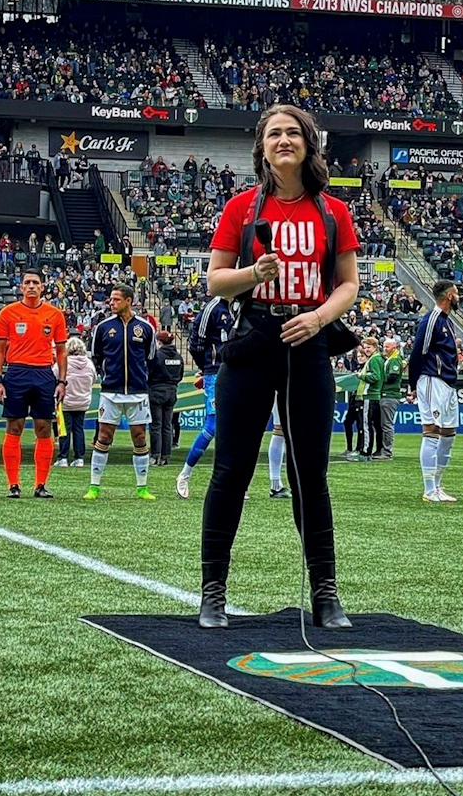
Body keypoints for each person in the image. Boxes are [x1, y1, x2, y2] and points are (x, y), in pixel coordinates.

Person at [196, 103, 361, 629]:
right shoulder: (241, 209)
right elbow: (215, 282)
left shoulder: (333, 211)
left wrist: (318, 318)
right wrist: (252, 273)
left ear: (309, 144)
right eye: (274, 134)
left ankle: (326, 593)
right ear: (261, 147)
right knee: (231, 470)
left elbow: (349, 285)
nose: (283, 140)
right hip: (253, 340)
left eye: (293, 133)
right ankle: (212, 592)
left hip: (307, 342)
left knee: (310, 473)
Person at [0, 270, 69, 499]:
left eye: (36, 282)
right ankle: (13, 484)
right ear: (21, 287)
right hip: (16, 373)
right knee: (14, 427)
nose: (32, 286)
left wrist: (62, 381)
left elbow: (62, 352)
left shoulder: (55, 315)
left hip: (44, 374)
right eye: (28, 283)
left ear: (42, 287)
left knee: (43, 428)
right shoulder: (8, 313)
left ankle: (41, 484)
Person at [86, 285, 157, 501]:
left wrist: (141, 379)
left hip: (137, 392)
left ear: (128, 301)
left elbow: (151, 358)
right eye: (111, 299)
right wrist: (107, 377)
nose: (111, 303)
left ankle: (142, 487)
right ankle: (94, 487)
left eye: (116, 299)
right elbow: (96, 356)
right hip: (111, 392)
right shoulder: (103, 327)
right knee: (104, 436)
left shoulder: (145, 328)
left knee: (140, 437)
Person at [406, 280, 463, 503]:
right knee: (432, 431)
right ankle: (429, 489)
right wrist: (414, 383)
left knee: (448, 435)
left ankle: (438, 486)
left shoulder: (448, 322)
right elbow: (418, 350)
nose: (459, 297)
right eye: (456, 293)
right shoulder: (432, 320)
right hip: (432, 380)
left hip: (448, 383)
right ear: (449, 296)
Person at [176, 293, 231, 499]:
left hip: (237, 372)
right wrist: (207, 368)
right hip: (216, 374)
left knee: (236, 428)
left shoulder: (239, 306)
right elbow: (195, 344)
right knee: (213, 425)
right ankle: (184, 474)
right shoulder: (212, 308)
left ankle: (231, 482)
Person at [362, 336, 406, 460]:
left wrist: (382, 378)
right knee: (382, 424)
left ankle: (387, 452)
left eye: (387, 346)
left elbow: (392, 376)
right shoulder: (389, 359)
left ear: (394, 347)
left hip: (390, 395)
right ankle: (382, 450)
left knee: (386, 425)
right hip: (386, 395)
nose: (385, 349)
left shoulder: (394, 360)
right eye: (384, 346)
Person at [146, 328, 184, 466]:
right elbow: (180, 375)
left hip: (156, 391)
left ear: (158, 341)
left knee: (156, 425)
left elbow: (149, 373)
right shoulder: (178, 357)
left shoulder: (157, 355)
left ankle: (155, 455)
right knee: (167, 425)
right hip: (172, 391)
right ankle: (166, 456)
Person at [58, 337, 94, 468]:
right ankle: (79, 458)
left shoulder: (63, 362)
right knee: (79, 429)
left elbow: (54, 375)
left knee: (64, 430)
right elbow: (93, 379)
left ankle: (63, 458)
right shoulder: (89, 364)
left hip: (66, 402)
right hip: (82, 402)